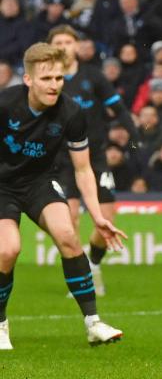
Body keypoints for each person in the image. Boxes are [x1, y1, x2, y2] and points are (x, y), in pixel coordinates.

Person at [0, 43, 126, 350]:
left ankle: (93, 324)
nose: (54, 85)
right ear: (28, 80)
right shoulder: (5, 104)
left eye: (58, 78)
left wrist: (97, 216)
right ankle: (0, 324)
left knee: (68, 235)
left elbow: (83, 170)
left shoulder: (72, 112)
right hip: (2, 186)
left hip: (40, 182)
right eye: (46, 79)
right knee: (8, 250)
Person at [49, 26, 139, 296]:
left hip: (95, 157)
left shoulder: (93, 76)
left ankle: (93, 263)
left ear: (77, 46)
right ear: (51, 47)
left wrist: (134, 139)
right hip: (61, 159)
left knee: (107, 217)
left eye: (68, 41)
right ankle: (81, 278)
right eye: (59, 42)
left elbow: (118, 109)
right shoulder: (48, 79)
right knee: (69, 221)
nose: (64, 46)